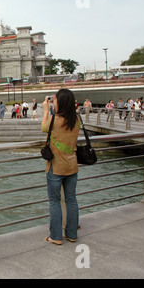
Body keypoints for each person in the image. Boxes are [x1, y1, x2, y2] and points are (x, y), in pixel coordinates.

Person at [41, 89, 80, 245]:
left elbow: (44, 128)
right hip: (72, 165)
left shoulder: (54, 119)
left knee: (54, 201)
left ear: (60, 102)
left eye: (55, 100)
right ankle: (71, 234)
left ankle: (55, 236)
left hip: (56, 166)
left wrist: (45, 110)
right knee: (71, 200)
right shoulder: (76, 119)